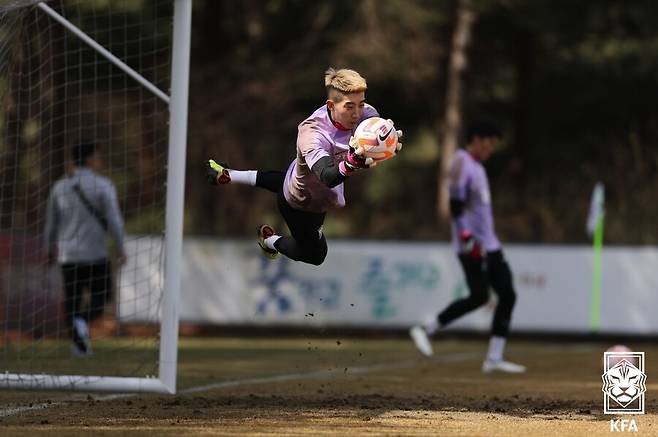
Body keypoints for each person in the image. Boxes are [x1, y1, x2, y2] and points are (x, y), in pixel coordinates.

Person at [206, 68, 401, 265]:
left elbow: (375, 132)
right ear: (331, 105)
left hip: (298, 177)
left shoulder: (365, 113)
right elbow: (327, 177)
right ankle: (270, 241)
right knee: (315, 255)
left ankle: (230, 175)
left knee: (288, 180)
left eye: (361, 104)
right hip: (303, 203)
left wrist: (387, 143)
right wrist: (351, 163)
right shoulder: (312, 134)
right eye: (350, 107)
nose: (357, 113)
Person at [409, 122, 526, 374]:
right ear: (476, 138)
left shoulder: (478, 168)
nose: (491, 149)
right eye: (489, 143)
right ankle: (425, 329)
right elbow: (455, 204)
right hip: (472, 245)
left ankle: (494, 358)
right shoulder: (461, 161)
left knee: (506, 295)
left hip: (490, 245)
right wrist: (466, 237)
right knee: (480, 296)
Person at [44, 141, 126, 357]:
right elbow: (115, 220)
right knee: (102, 296)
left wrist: (48, 248)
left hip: (67, 255)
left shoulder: (60, 186)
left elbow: (51, 223)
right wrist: (121, 246)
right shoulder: (103, 185)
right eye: (98, 157)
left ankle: (79, 344)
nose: (100, 161)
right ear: (90, 159)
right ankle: (82, 323)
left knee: (72, 299)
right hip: (95, 253)